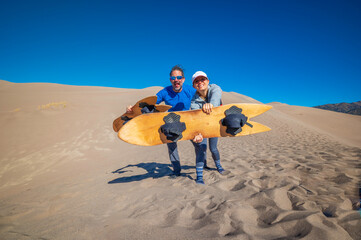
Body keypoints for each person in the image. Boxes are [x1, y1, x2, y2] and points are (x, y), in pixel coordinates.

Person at [127, 65, 196, 178]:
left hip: (187, 121)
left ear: (183, 79)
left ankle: (203, 164)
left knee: (199, 144)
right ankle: (177, 171)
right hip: (170, 122)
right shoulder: (165, 91)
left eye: (179, 77)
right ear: (170, 80)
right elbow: (150, 102)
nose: (176, 80)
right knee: (172, 147)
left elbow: (203, 96)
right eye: (173, 78)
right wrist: (132, 108)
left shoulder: (190, 90)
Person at [191, 71, 225, 184]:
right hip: (203, 126)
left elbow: (217, 94)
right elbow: (196, 118)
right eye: (196, 81)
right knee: (201, 148)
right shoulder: (194, 101)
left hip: (215, 125)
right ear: (193, 85)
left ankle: (219, 166)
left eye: (202, 79)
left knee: (213, 148)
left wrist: (211, 104)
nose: (200, 82)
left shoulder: (214, 88)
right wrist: (197, 133)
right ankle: (199, 175)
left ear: (208, 81)